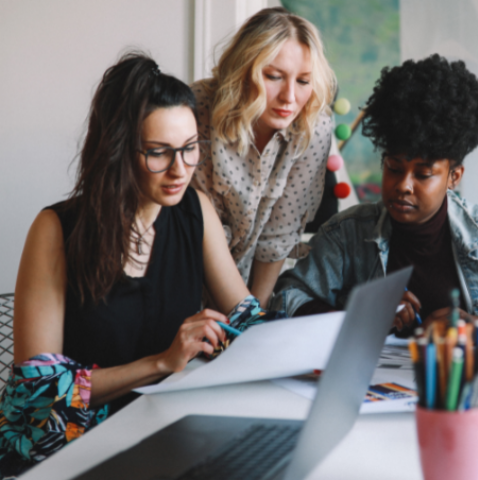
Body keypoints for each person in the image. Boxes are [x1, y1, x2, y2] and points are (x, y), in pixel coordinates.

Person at [0, 53, 281, 477]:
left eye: (189, 149)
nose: (180, 170)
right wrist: (161, 363)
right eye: (158, 153)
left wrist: (312, 333)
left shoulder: (194, 211)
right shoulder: (56, 230)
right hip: (74, 453)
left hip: (164, 436)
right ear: (117, 151)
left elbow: (247, 318)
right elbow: (38, 394)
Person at [271, 55, 478, 339]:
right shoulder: (346, 235)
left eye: (423, 174)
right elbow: (287, 299)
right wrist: (362, 315)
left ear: (454, 176)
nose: (403, 185)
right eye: (393, 168)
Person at [190, 7, 337, 308]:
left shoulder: (313, 124)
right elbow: (192, 224)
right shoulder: (196, 109)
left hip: (245, 288)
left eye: (303, 81)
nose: (290, 97)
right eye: (274, 76)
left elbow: (278, 235)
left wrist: (254, 316)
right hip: (181, 276)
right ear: (243, 70)